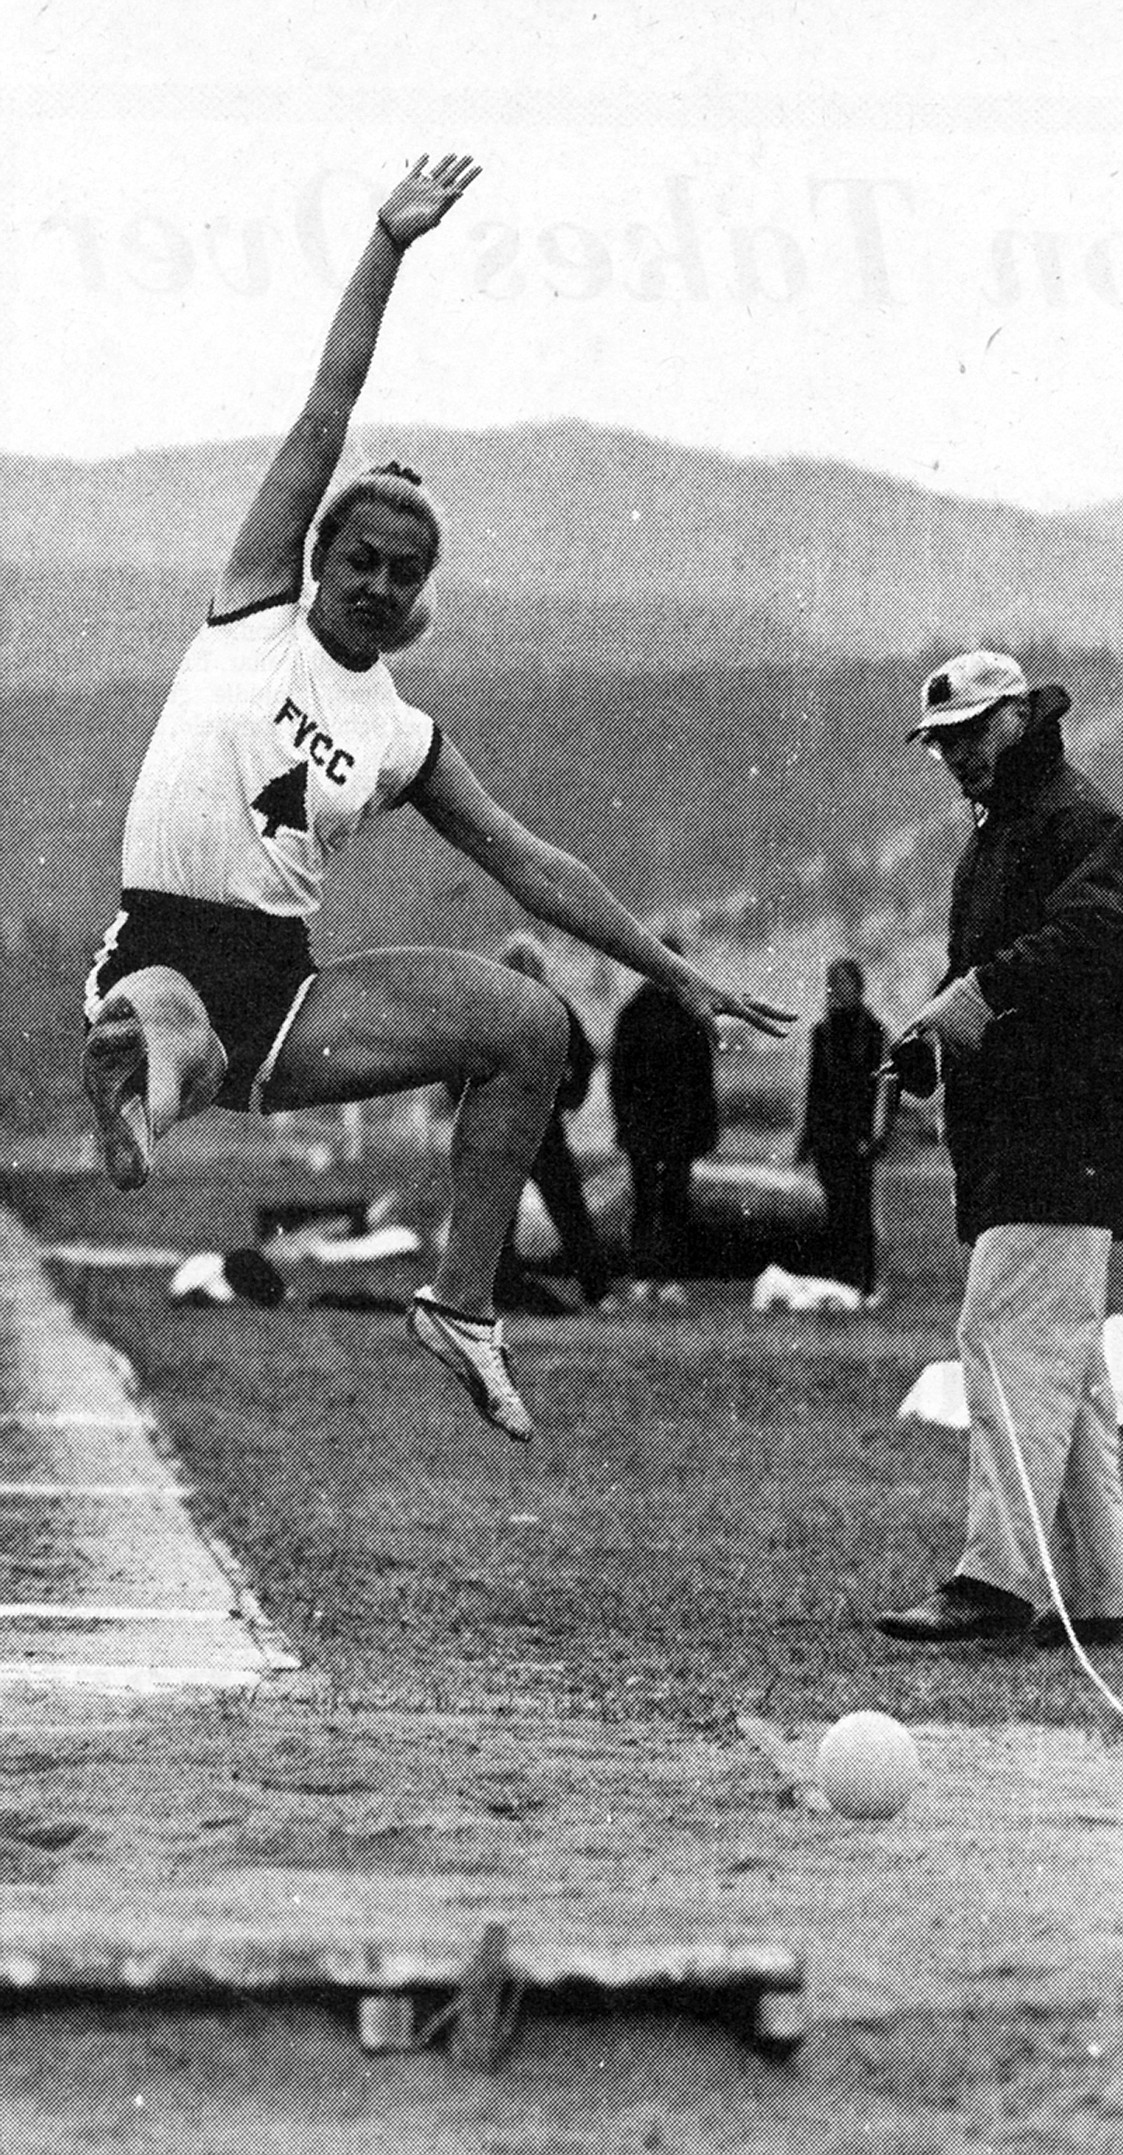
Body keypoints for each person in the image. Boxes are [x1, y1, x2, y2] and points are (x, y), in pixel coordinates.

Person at [81, 151, 791, 1445]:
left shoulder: (399, 733)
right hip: (164, 944)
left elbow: (536, 867)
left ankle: (463, 1306)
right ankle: (142, 1086)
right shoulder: (254, 609)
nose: (373, 582)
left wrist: (676, 974)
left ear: (418, 595)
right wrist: (386, 247)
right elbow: (321, 414)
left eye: (400, 571)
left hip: (289, 994)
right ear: (318, 556)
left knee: (529, 1027)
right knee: (174, 1027)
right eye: (358, 557)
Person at [875, 651, 1123, 1649]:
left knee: (1000, 1338)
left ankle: (994, 1583)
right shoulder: (1007, 837)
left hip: (1059, 1145)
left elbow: (1097, 942)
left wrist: (977, 998)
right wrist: (930, 1042)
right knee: (1064, 1377)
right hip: (1030, 1148)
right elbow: (977, 976)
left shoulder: (1086, 828)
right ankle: (1102, 1596)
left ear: (1023, 719)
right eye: (942, 741)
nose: (954, 755)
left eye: (970, 733)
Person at [481, 934, 613, 1313]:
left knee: (498, 1210)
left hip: (498, 1122)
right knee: (568, 1207)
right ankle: (596, 1288)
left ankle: (498, 1284)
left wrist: (469, 1102)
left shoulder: (487, 1010)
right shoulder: (554, 1007)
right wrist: (570, 1097)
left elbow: (455, 1063)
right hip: (542, 1121)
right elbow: (585, 1056)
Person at [608, 935, 720, 1303]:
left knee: (665, 1199)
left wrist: (624, 1122)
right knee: (657, 1199)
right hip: (661, 1124)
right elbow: (620, 1079)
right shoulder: (665, 1013)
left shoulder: (638, 1012)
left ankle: (660, 1273)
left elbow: (703, 1078)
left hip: (666, 1125)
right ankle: (652, 1273)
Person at [794, 957, 887, 1297]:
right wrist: (806, 1140)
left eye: (846, 983)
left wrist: (877, 1137)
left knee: (859, 1210)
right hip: (827, 1137)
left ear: (858, 987)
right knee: (833, 1211)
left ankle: (863, 1282)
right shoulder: (822, 1033)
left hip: (858, 1138)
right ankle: (837, 1282)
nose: (839, 990)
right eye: (834, 983)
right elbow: (814, 1088)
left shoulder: (875, 1032)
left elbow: (884, 1091)